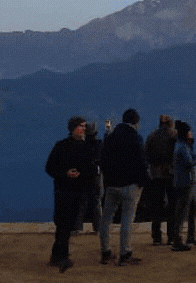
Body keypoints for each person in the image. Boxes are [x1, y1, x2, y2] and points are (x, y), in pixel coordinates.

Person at [45, 116, 96, 272]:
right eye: (81, 126)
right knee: (63, 225)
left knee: (67, 226)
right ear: (73, 128)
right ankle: (62, 257)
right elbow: (50, 167)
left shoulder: (86, 147)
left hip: (78, 192)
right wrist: (66, 173)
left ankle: (57, 256)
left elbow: (91, 169)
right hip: (63, 191)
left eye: (84, 126)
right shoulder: (61, 146)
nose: (83, 129)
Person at [99, 108, 149, 266]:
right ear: (136, 121)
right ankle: (125, 253)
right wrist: (143, 183)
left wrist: (107, 181)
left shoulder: (111, 137)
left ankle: (106, 251)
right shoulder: (136, 138)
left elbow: (103, 159)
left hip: (112, 185)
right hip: (130, 186)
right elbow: (141, 163)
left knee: (106, 219)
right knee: (127, 220)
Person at [171, 120, 196, 251]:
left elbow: (193, 160)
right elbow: (190, 163)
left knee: (192, 210)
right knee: (182, 212)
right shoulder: (182, 147)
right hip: (185, 183)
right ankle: (178, 240)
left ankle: (190, 236)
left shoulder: (183, 145)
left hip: (187, 183)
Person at [144, 114, 177, 245]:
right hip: (171, 174)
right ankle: (172, 236)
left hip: (156, 174)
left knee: (156, 205)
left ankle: (156, 237)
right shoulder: (174, 135)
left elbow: (145, 153)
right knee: (172, 206)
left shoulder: (152, 135)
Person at [74, 121, 103, 235]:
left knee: (81, 201)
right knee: (96, 201)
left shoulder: (81, 145)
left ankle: (76, 227)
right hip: (96, 175)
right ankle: (98, 227)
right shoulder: (99, 144)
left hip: (83, 176)